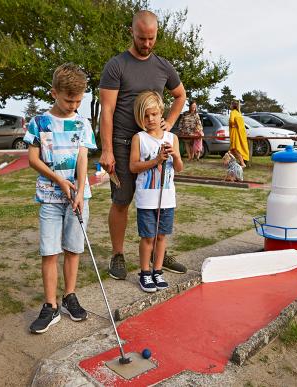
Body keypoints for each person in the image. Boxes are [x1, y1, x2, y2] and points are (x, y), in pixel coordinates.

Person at [99, 10, 187, 280]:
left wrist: (168, 124)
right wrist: (107, 149)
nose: (146, 43)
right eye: (141, 38)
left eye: (151, 38)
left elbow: (180, 95)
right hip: (125, 144)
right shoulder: (116, 65)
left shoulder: (163, 66)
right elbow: (107, 111)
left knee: (158, 201)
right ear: (131, 32)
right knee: (122, 201)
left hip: (155, 145)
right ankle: (118, 255)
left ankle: (158, 252)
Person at [24, 63, 97, 334]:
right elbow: (33, 158)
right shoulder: (40, 122)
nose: (73, 105)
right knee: (49, 251)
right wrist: (58, 180)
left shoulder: (82, 122)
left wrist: (79, 191)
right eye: (69, 99)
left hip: (78, 198)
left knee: (74, 249)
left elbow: (82, 157)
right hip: (50, 197)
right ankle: (50, 305)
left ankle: (69, 297)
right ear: (54, 92)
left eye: (78, 100)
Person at [130, 91, 183, 292]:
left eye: (154, 114)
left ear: (162, 113)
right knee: (148, 237)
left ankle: (157, 270)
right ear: (140, 116)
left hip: (167, 199)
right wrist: (155, 161)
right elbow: (133, 167)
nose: (150, 119)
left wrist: (176, 155)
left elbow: (179, 168)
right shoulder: (139, 138)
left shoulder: (172, 138)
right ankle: (145, 272)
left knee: (161, 236)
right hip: (146, 199)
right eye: (146, 115)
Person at [229, 100, 249, 168]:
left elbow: (232, 121)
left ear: (233, 106)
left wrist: (233, 125)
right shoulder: (238, 113)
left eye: (231, 105)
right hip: (238, 132)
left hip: (234, 132)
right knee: (232, 149)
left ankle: (242, 163)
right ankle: (232, 164)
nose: (230, 106)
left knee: (234, 148)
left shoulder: (232, 112)